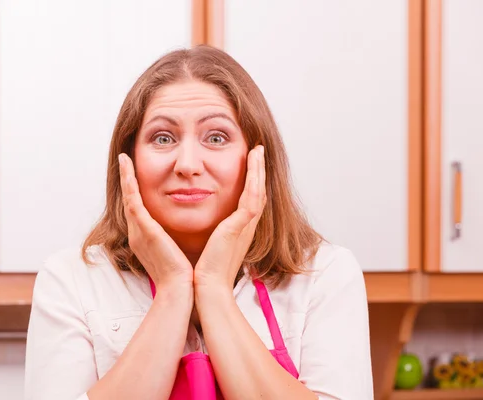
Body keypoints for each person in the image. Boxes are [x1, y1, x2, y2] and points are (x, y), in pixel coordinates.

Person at [24, 45, 373, 400]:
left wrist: (213, 289)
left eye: (216, 137)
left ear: (257, 159)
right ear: (127, 160)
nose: (187, 164)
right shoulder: (72, 281)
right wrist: (175, 290)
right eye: (163, 138)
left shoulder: (325, 275)